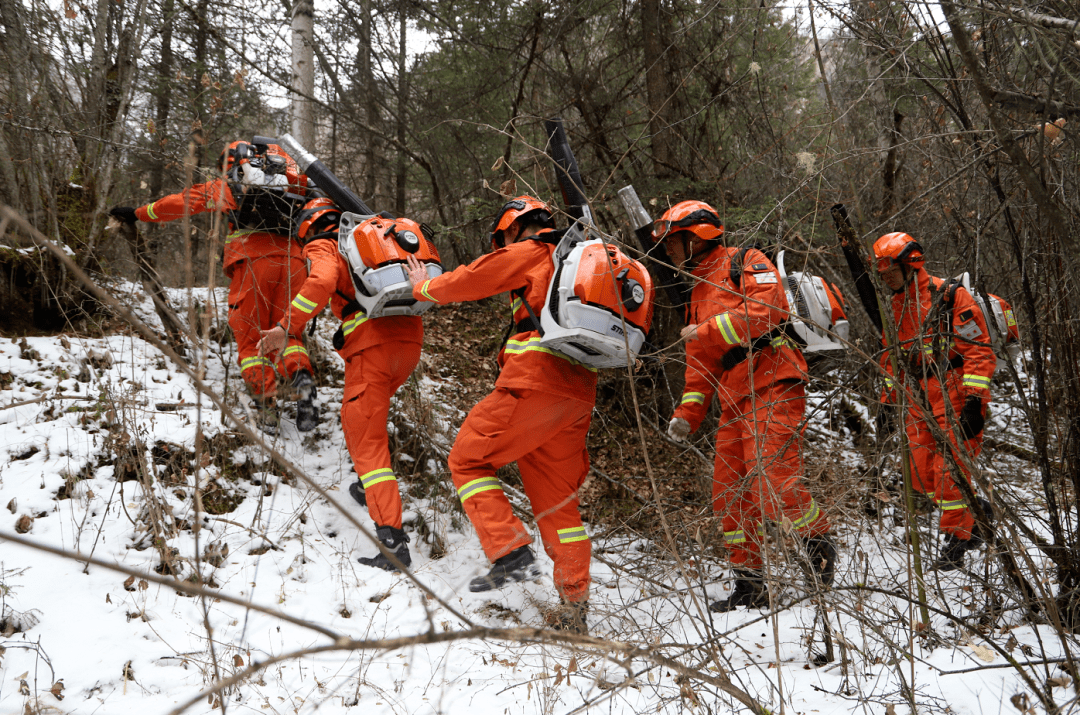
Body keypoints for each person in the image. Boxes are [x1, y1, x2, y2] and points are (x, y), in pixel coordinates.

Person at [403, 196, 595, 634]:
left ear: (512, 228)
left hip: (534, 381)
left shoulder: (531, 250)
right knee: (559, 507)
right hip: (578, 392)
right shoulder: (579, 260)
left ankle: (510, 552)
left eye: (502, 237)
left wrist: (422, 287)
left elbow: (471, 278)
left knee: (467, 460)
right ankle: (575, 608)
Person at [658, 200, 835, 612]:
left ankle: (819, 544)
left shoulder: (746, 261)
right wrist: (687, 413)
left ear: (696, 237)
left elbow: (765, 311)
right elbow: (701, 362)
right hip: (734, 399)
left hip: (773, 379)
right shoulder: (696, 292)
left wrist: (704, 328)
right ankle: (750, 583)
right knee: (728, 495)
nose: (669, 251)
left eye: (674, 242)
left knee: (773, 479)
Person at [256, 201, 424, 571]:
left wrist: (287, 326)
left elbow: (320, 281)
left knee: (367, 442)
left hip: (372, 349)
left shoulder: (324, 245)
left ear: (306, 229)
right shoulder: (373, 241)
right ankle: (369, 489)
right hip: (408, 344)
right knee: (370, 423)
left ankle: (392, 543)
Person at [109, 139, 317, 435]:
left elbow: (180, 203)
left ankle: (267, 410)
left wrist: (139, 213)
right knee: (287, 331)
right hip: (294, 263)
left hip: (252, 265)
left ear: (230, 163)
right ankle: (303, 383)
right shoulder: (294, 183)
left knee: (251, 340)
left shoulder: (232, 185)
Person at [873, 232, 996, 571]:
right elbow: (891, 361)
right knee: (924, 474)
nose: (886, 279)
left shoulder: (948, 296)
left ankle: (956, 543)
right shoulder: (893, 309)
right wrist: (886, 402)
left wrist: (974, 401)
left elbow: (979, 351)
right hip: (916, 400)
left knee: (949, 472)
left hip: (954, 392)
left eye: (891, 272)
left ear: (910, 264)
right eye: (881, 274)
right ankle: (978, 515)